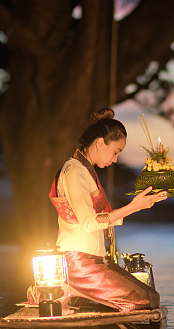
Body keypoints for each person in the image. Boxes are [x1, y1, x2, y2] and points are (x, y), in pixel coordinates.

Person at [48, 107, 167, 312]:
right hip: (78, 262)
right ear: (100, 142)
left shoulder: (85, 171)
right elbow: (88, 223)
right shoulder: (74, 171)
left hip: (92, 260)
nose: (115, 159)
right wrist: (132, 207)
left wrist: (136, 207)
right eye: (115, 151)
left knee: (152, 296)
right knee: (144, 300)